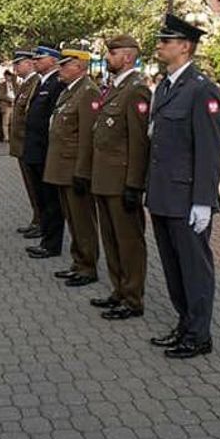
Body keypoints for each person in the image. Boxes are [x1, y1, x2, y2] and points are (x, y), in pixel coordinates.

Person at [145, 13, 220, 359]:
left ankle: (199, 335)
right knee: (173, 267)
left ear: (185, 46)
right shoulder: (165, 86)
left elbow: (210, 150)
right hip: (163, 193)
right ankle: (184, 323)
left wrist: (204, 201)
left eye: (166, 41)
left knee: (194, 268)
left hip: (187, 196)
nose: (159, 45)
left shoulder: (201, 89)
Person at [87, 35, 151, 320]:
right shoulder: (114, 87)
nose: (108, 57)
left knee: (128, 242)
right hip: (104, 178)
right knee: (111, 239)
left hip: (122, 179)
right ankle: (119, 290)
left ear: (127, 57)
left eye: (112, 53)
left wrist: (134, 184)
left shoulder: (136, 90)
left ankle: (133, 298)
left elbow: (139, 143)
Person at [44, 49, 99, 286]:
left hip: (74, 168)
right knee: (73, 220)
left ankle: (87, 267)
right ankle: (78, 263)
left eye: (66, 65)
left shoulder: (88, 92)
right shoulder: (70, 91)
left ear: (79, 66)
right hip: (62, 167)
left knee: (82, 221)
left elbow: (87, 136)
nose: (61, 69)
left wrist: (82, 171)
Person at [22, 45, 67, 260]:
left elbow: (52, 121)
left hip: (45, 151)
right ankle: (45, 238)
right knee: (42, 198)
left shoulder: (56, 84)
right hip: (34, 149)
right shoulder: (42, 83)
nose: (36, 61)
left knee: (51, 201)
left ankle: (51, 243)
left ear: (53, 60)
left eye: (40, 58)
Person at [8, 50, 41, 238]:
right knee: (30, 186)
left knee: (35, 187)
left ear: (29, 63)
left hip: (28, 144)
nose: (15, 68)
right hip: (22, 144)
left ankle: (40, 220)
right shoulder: (26, 83)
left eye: (18, 63)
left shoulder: (35, 82)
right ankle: (36, 219)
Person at [0, 69, 15, 142]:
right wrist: (10, 99)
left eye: (9, 76)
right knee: (5, 122)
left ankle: (13, 137)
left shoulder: (15, 85)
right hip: (6, 105)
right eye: (7, 76)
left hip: (14, 105)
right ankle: (6, 137)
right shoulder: (2, 85)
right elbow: (1, 95)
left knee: (13, 122)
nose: (8, 77)